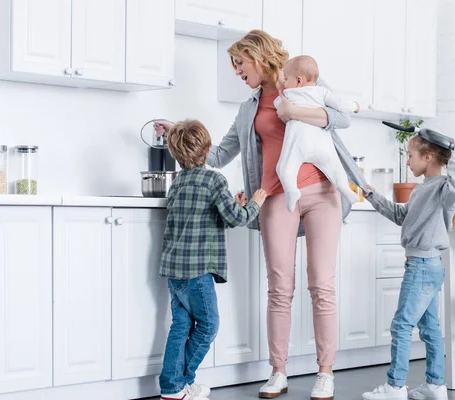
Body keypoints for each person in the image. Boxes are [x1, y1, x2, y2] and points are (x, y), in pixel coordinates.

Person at [156, 29, 367, 400]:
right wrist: (179, 133)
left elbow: (343, 119)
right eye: (234, 65)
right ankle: (278, 371)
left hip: (321, 192)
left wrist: (292, 109)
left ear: (258, 56)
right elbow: (219, 155)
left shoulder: (300, 83)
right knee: (279, 287)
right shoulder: (247, 108)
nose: (237, 71)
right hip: (274, 197)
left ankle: (325, 372)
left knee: (322, 284)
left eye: (240, 62)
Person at [158, 119, 267, 400]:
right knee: (208, 326)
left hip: (175, 271)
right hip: (198, 272)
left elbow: (205, 214)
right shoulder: (215, 179)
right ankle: (183, 382)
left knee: (180, 326)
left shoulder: (177, 182)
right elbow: (236, 218)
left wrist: (235, 202)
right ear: (207, 151)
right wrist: (256, 201)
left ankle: (170, 388)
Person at [361, 137, 455, 400]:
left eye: (410, 155)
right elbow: (401, 216)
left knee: (401, 325)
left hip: (422, 266)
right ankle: (435, 385)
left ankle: (395, 387)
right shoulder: (423, 189)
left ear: (428, 156)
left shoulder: (443, 187)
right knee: (429, 327)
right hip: (426, 266)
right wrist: (373, 196)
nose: (407, 161)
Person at [275, 55, 360, 212]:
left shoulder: (288, 94)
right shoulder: (322, 92)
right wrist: (354, 106)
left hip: (298, 142)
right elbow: (340, 104)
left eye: (286, 78)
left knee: (284, 168)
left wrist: (280, 90)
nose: (284, 82)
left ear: (298, 80)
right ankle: (345, 189)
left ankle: (292, 191)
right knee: (334, 167)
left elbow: (278, 106)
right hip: (321, 143)